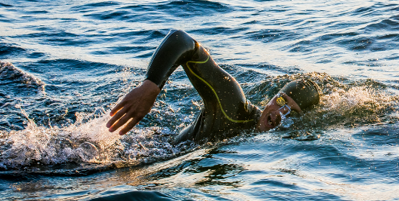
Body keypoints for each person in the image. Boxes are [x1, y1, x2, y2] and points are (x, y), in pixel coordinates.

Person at [106, 30, 321, 144]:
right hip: (137, 151)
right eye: (281, 102)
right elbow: (182, 40)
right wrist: (152, 84)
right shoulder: (234, 106)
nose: (278, 114)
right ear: (273, 98)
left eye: (290, 112)